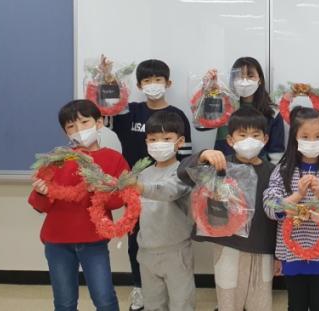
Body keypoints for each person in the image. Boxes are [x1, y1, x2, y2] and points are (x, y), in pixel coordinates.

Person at [29, 99, 129, 311]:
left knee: (104, 299)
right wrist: (40, 192)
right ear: (65, 132)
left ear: (99, 123)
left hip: (94, 241)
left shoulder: (114, 159)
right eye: (71, 126)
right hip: (57, 241)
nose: (79, 130)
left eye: (84, 122)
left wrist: (99, 189)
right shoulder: (57, 160)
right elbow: (39, 205)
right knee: (64, 302)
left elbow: (119, 200)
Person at [111, 58, 193, 311]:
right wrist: (107, 81)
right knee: (138, 240)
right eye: (147, 80)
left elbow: (184, 167)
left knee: (180, 298)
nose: (153, 84)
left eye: (158, 79)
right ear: (139, 85)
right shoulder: (130, 111)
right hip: (136, 190)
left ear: (168, 83)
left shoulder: (178, 117)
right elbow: (104, 112)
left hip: (173, 234)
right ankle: (139, 288)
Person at [177, 107, 278, 310]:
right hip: (227, 246)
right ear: (230, 140)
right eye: (242, 135)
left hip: (263, 249)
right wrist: (203, 155)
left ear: (265, 139)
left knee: (260, 303)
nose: (249, 140)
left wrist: (278, 254)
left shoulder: (274, 172)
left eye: (255, 135)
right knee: (228, 302)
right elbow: (183, 174)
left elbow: (279, 217)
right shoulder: (220, 165)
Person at [263, 107, 319, 311]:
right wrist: (297, 195)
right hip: (292, 254)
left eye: (318, 136)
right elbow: (270, 206)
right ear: (295, 138)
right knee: (296, 305)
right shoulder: (283, 170)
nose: (311, 141)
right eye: (305, 136)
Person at [136, 111, 195, 311]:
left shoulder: (183, 172)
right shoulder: (143, 174)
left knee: (182, 302)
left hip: (176, 251)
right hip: (147, 251)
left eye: (166, 138)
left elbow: (169, 191)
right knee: (153, 303)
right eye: (153, 139)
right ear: (146, 141)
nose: (159, 144)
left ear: (180, 142)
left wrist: (139, 188)